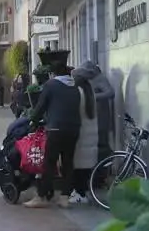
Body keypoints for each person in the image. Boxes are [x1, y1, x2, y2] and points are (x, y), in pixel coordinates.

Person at [25, 62, 82, 208]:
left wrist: (33, 120)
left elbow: (41, 106)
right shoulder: (74, 86)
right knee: (68, 162)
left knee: (49, 163)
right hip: (74, 128)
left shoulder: (51, 85)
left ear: (53, 74)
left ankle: (41, 196)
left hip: (56, 129)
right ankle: (64, 196)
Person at [69, 65, 99, 204]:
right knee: (85, 167)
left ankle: (79, 194)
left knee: (77, 167)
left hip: (81, 135)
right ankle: (83, 192)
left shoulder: (78, 92)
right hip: (91, 134)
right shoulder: (89, 90)